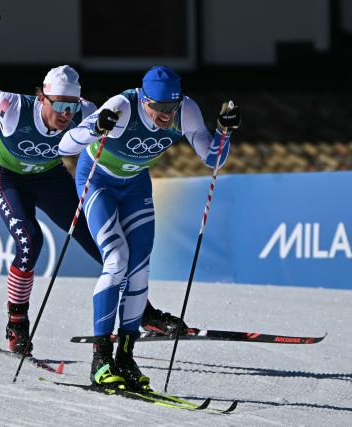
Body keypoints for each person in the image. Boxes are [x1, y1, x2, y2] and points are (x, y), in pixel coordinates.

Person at [0, 65, 188, 356]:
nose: (65, 114)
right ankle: (17, 324)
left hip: (51, 179)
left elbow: (107, 140)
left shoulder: (86, 112)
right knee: (30, 241)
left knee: (103, 246)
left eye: (71, 106)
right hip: (9, 179)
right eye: (58, 104)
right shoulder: (11, 106)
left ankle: (144, 312)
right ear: (41, 97)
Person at [58, 65, 242, 391]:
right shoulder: (121, 106)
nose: (165, 116)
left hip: (135, 185)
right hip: (97, 179)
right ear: (144, 100)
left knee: (140, 267)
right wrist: (95, 129)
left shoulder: (186, 111)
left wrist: (224, 133)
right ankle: (101, 360)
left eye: (170, 108)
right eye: (158, 108)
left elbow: (211, 159)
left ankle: (125, 359)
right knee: (116, 260)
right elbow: (65, 147)